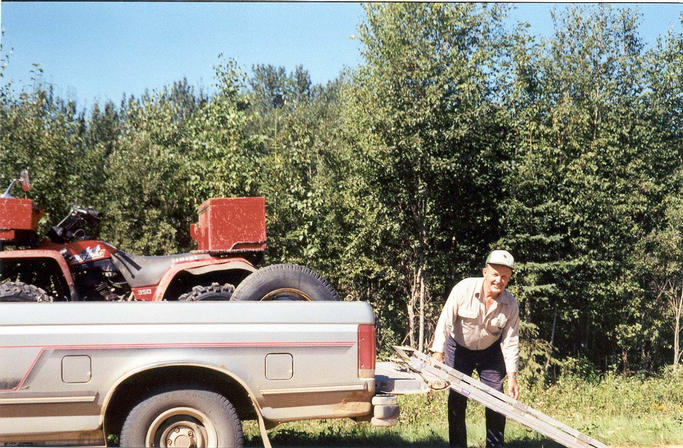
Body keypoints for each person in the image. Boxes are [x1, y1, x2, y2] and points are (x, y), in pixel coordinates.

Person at [431, 250, 520, 448]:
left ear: (509, 278)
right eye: (495, 274)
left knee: (496, 399)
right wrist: (438, 353)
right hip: (459, 349)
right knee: (457, 398)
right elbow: (445, 321)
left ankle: (495, 445)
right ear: (485, 272)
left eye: (505, 276)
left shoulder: (510, 303)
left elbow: (511, 340)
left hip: (490, 352)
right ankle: (458, 445)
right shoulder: (463, 289)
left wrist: (512, 376)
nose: (499, 280)